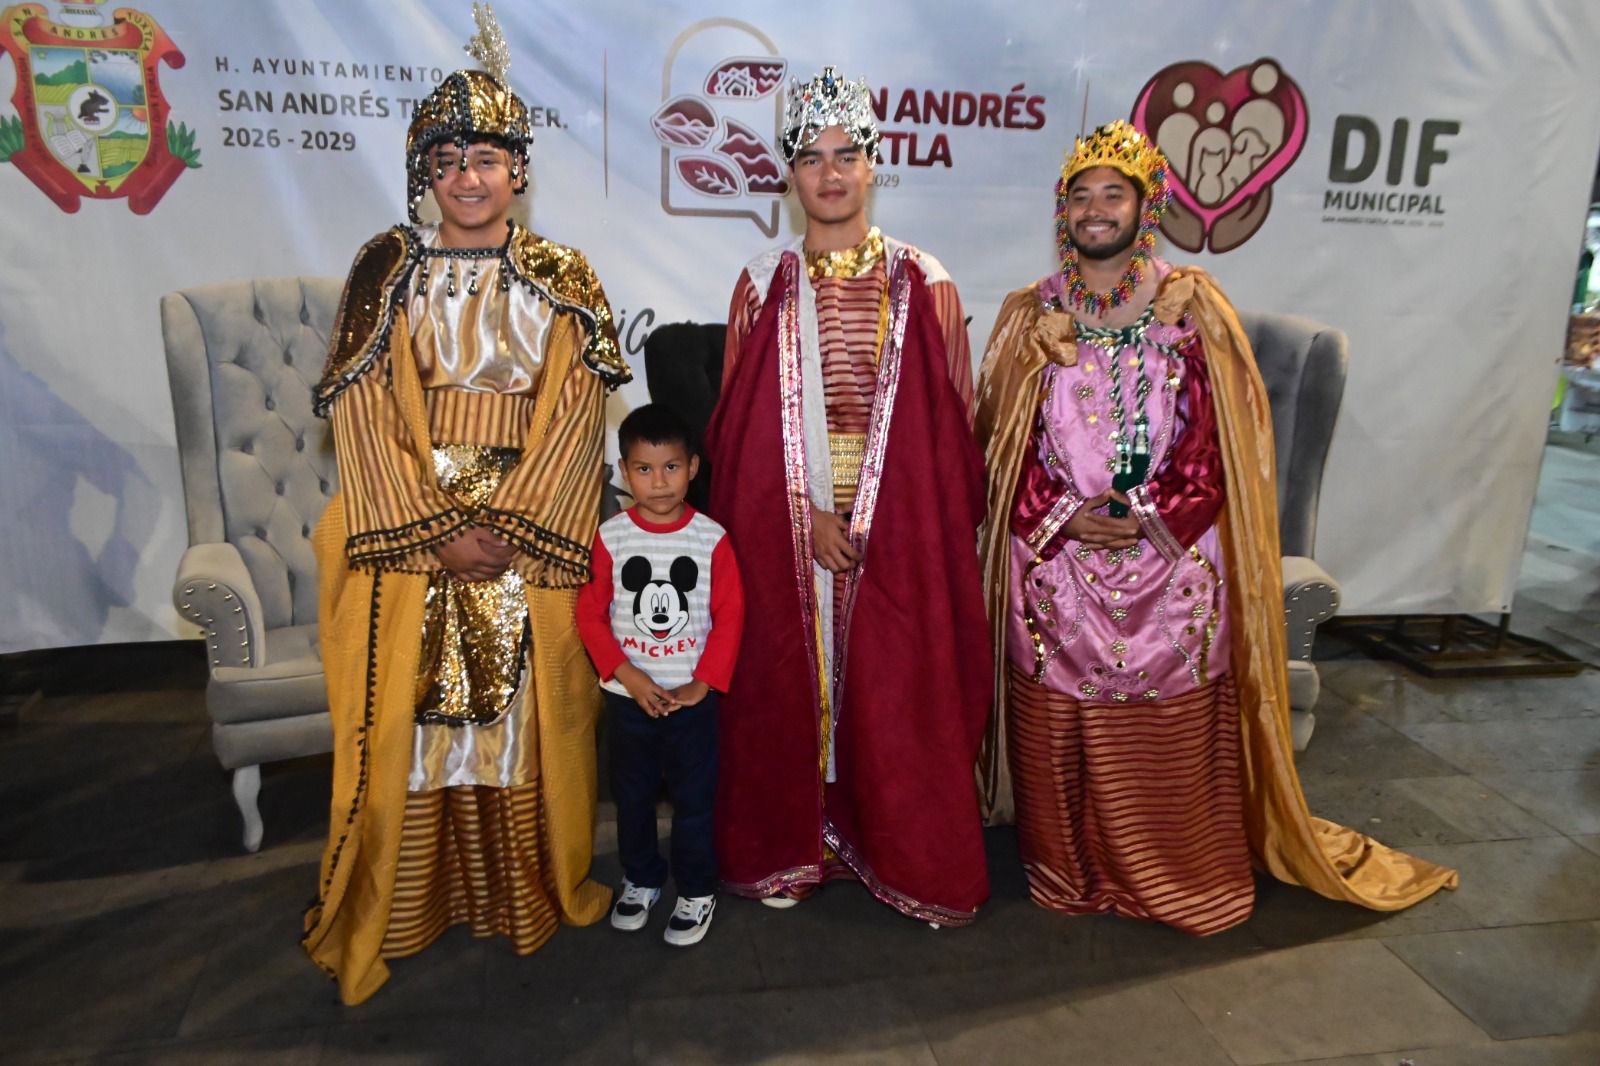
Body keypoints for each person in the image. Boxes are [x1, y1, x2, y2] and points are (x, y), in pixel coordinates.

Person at [974, 120, 1457, 932]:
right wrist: (1064, 516)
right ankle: (1069, 868)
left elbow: (1221, 443)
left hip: (1169, 559)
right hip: (1058, 556)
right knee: (1056, 693)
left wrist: (1145, 519)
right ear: (1063, 211)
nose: (1096, 210)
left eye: (1114, 194)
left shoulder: (1193, 307)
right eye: (1081, 196)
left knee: (1171, 684)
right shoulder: (1031, 314)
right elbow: (999, 444)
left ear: (1146, 207)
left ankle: (1172, 868)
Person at [302, 6, 630, 1004]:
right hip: (409, 528)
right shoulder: (385, 269)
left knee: (525, 718)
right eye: (446, 161)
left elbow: (576, 408)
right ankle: (407, 906)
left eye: (486, 157)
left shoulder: (564, 277)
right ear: (424, 173)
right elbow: (363, 406)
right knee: (408, 722)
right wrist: (438, 529)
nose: (468, 177)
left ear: (518, 169)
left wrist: (511, 525)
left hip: (528, 531)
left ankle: (520, 896)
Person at [705, 66, 992, 926]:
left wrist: (885, 518)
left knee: (897, 691)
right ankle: (796, 847)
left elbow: (952, 428)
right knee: (788, 683)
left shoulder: (924, 279)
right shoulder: (762, 280)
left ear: (874, 164)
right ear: (789, 175)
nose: (829, 174)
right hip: (791, 518)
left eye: (846, 155)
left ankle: (904, 854)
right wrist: (803, 516)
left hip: (901, 518)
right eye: (811, 158)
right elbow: (739, 434)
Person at [575, 405, 744, 946]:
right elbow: (590, 614)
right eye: (644, 469)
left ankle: (696, 889)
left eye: (671, 466)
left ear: (693, 467)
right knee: (633, 798)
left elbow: (730, 615)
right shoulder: (611, 537)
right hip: (629, 701)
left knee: (694, 801)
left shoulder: (711, 539)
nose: (659, 481)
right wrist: (627, 675)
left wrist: (703, 683)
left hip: (692, 703)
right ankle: (641, 878)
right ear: (625, 472)